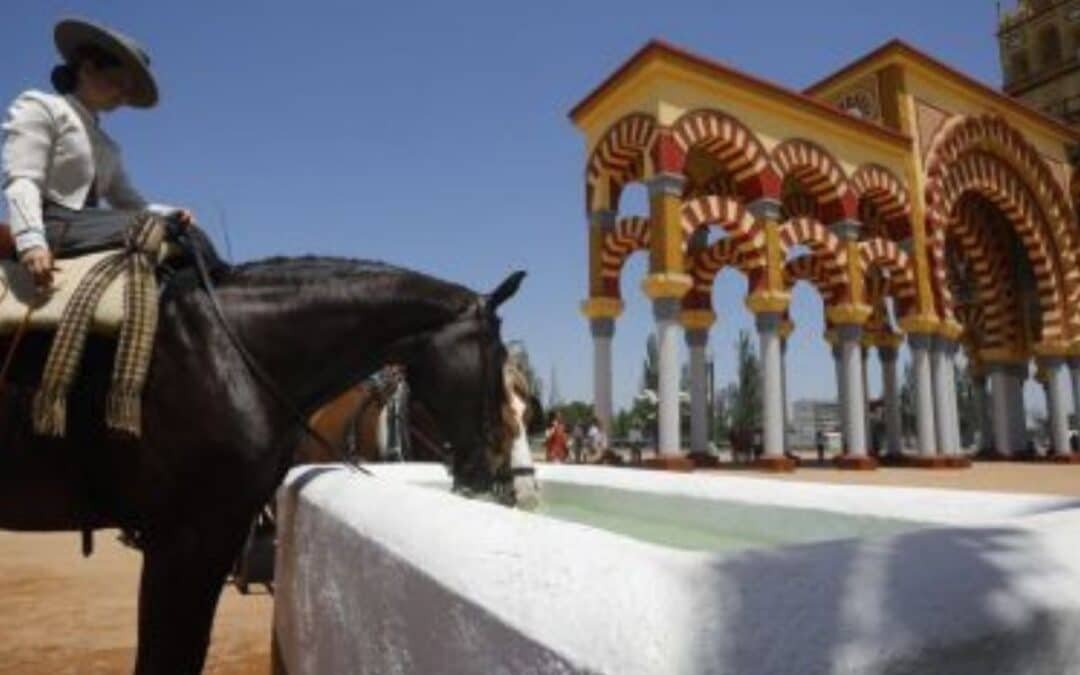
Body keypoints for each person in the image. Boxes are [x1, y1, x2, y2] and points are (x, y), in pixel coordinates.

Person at [2, 18, 221, 288]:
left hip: (89, 226)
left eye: (127, 90)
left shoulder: (108, 146)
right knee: (152, 229)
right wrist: (30, 241)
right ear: (87, 69)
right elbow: (23, 179)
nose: (123, 94)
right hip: (51, 224)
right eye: (117, 81)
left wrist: (172, 213)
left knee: (188, 232)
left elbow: (131, 204)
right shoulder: (41, 106)